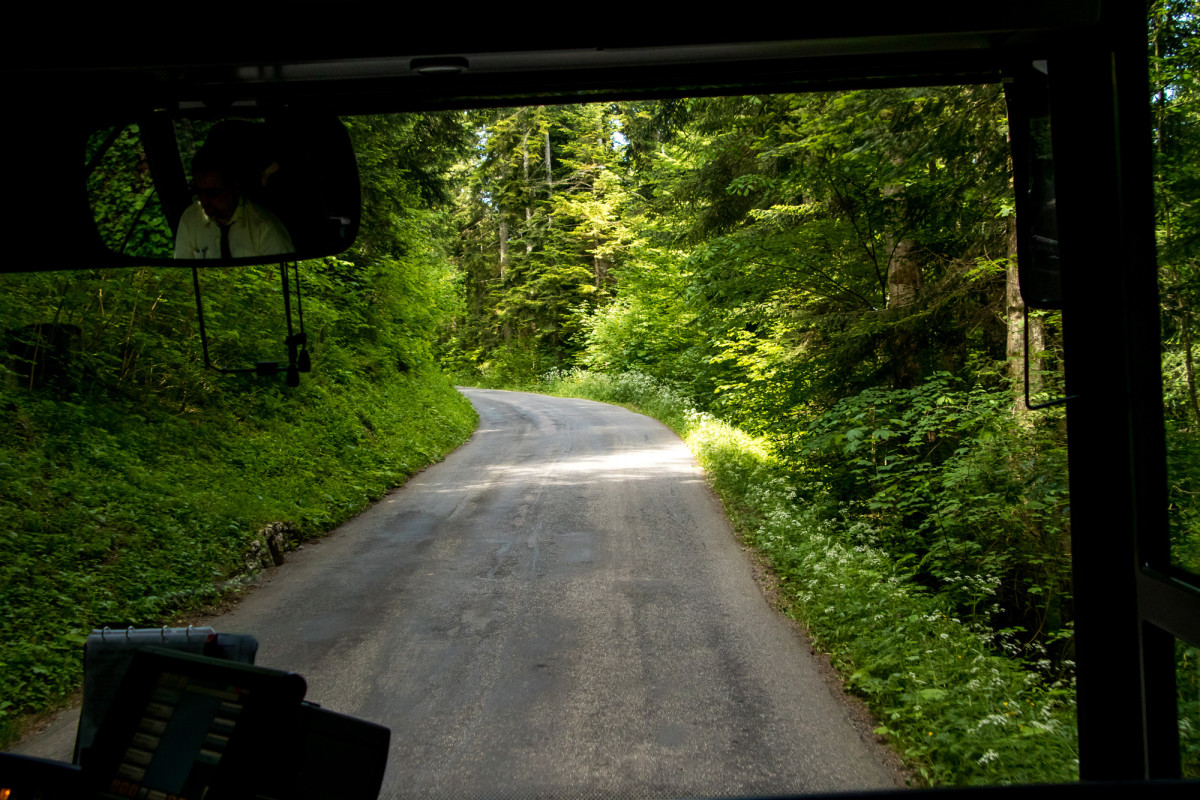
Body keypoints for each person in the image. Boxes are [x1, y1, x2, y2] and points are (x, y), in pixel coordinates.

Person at [174, 144, 295, 260]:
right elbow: (182, 276)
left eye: (213, 193)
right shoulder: (191, 219)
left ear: (234, 187)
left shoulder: (265, 229)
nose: (203, 200)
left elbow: (285, 277)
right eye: (198, 191)